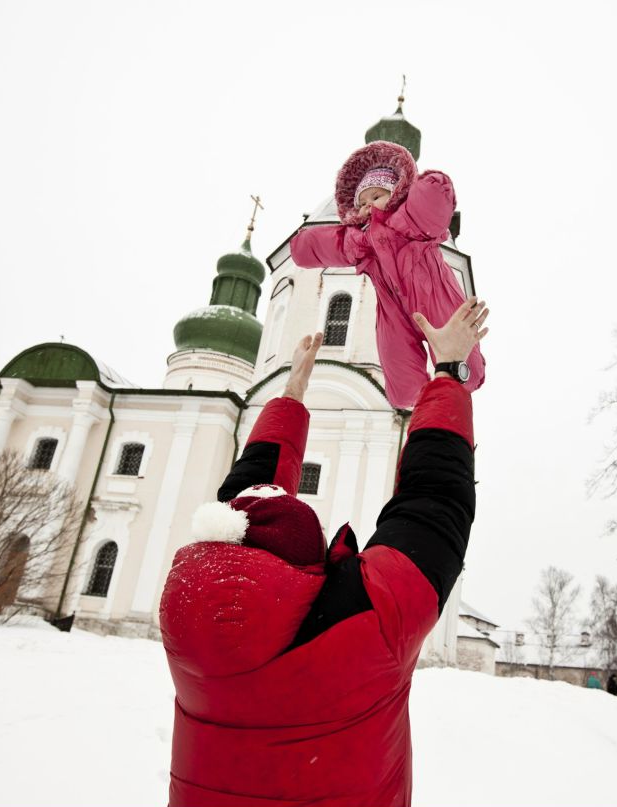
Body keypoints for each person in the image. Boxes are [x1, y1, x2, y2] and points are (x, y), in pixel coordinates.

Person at [159, 298, 490, 806]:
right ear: (309, 565)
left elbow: (247, 501)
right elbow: (433, 501)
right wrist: (447, 371)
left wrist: (291, 391)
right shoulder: (365, 624)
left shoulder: (189, 620)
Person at [289, 140, 487, 409]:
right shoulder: (360, 241)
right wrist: (300, 248)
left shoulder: (409, 220)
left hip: (432, 294)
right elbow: (327, 244)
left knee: (459, 347)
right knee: (399, 371)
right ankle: (413, 396)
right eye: (362, 203)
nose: (368, 206)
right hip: (393, 310)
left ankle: (462, 372)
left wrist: (434, 186)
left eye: (376, 196)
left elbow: (430, 207)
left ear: (396, 194)